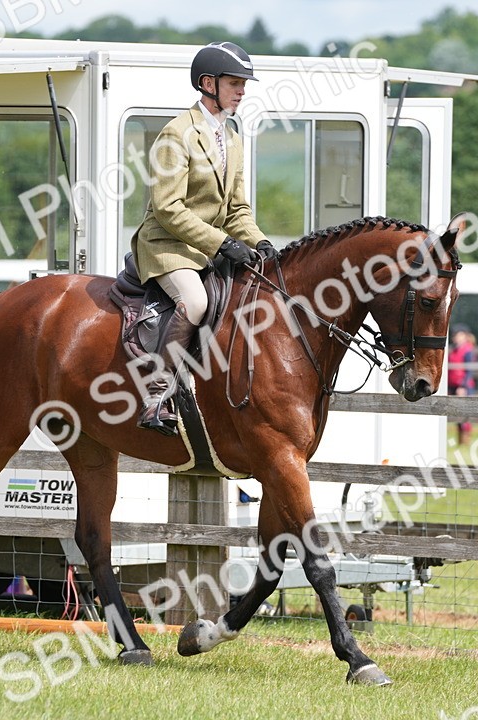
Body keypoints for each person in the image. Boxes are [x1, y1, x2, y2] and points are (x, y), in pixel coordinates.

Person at [129, 41, 277, 436]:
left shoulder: (232, 137)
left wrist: (260, 243)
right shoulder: (176, 134)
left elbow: (237, 210)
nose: (242, 91)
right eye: (234, 83)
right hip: (167, 246)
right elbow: (167, 207)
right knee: (194, 301)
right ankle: (156, 396)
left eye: (244, 84)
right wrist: (222, 243)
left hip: (206, 249)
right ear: (208, 83)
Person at [447, 324, 477, 445]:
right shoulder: (453, 350)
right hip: (452, 385)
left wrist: (463, 386)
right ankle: (460, 441)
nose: (455, 338)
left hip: (463, 386)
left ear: (465, 336)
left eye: (458, 335)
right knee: (456, 414)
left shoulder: (468, 350)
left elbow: (469, 371)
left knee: (465, 415)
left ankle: (466, 441)